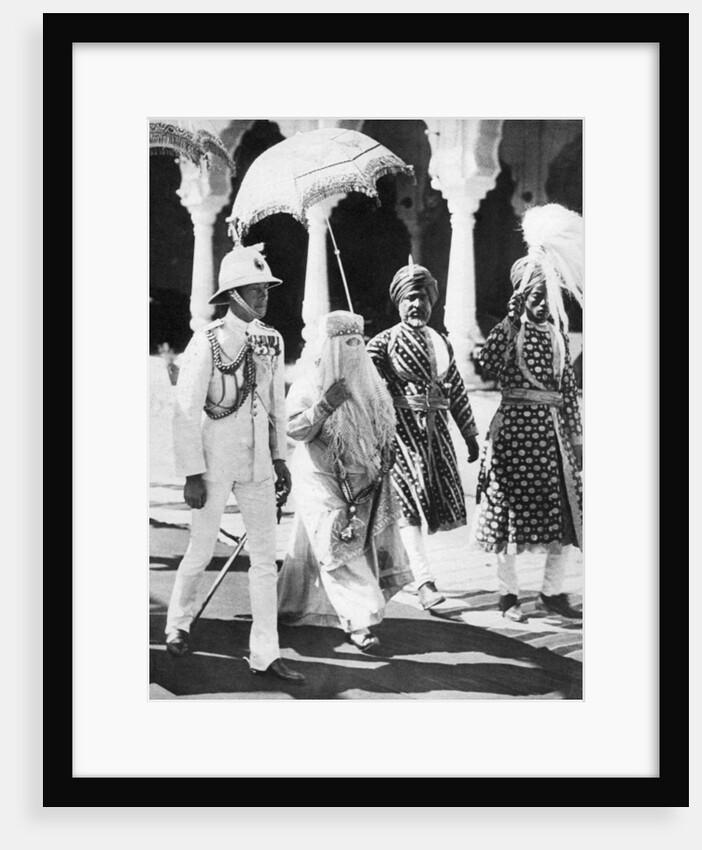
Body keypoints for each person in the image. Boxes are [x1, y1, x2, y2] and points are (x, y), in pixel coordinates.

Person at [164, 244, 305, 684]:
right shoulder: (206, 341)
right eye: (254, 289)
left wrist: (280, 458)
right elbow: (186, 411)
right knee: (202, 549)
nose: (264, 296)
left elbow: (277, 407)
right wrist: (191, 474)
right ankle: (177, 624)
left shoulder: (272, 340)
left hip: (259, 465)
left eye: (266, 289)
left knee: (266, 559)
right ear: (233, 294)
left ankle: (266, 652)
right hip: (213, 464)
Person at [472, 203, 583, 622]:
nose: (541, 301)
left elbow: (568, 394)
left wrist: (578, 441)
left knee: (566, 515)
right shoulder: (510, 331)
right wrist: (512, 315)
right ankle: (507, 595)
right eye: (534, 294)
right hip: (515, 436)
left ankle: (552, 593)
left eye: (546, 294)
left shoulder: (558, 338)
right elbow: (487, 361)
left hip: (553, 437)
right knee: (508, 518)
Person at [278, 311, 413, 652]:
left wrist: (386, 449)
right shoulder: (309, 382)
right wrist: (325, 405)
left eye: (358, 342)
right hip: (319, 477)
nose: (353, 350)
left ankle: (293, 604)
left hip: (361, 480)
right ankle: (360, 621)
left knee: (316, 545)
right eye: (345, 343)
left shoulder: (370, 382)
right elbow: (293, 428)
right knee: (337, 547)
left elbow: (383, 421)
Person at [366, 261, 480, 609]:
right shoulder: (382, 343)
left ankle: (391, 572)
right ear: (398, 302)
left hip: (436, 438)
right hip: (398, 437)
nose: (417, 305)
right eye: (410, 298)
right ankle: (424, 581)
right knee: (407, 509)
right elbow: (368, 390)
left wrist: (470, 434)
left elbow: (456, 389)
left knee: (425, 508)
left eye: (423, 298)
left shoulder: (441, 341)